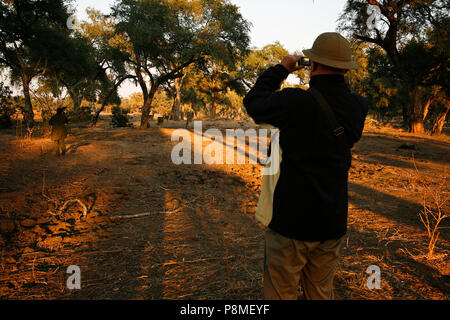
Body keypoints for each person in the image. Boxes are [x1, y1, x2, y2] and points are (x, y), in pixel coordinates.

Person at [243, 32, 369, 300]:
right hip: (332, 221)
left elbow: (254, 103)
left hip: (292, 222)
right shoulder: (359, 106)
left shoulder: (296, 102)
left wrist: (282, 68)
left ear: (312, 65)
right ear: (346, 68)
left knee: (280, 292)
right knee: (321, 293)